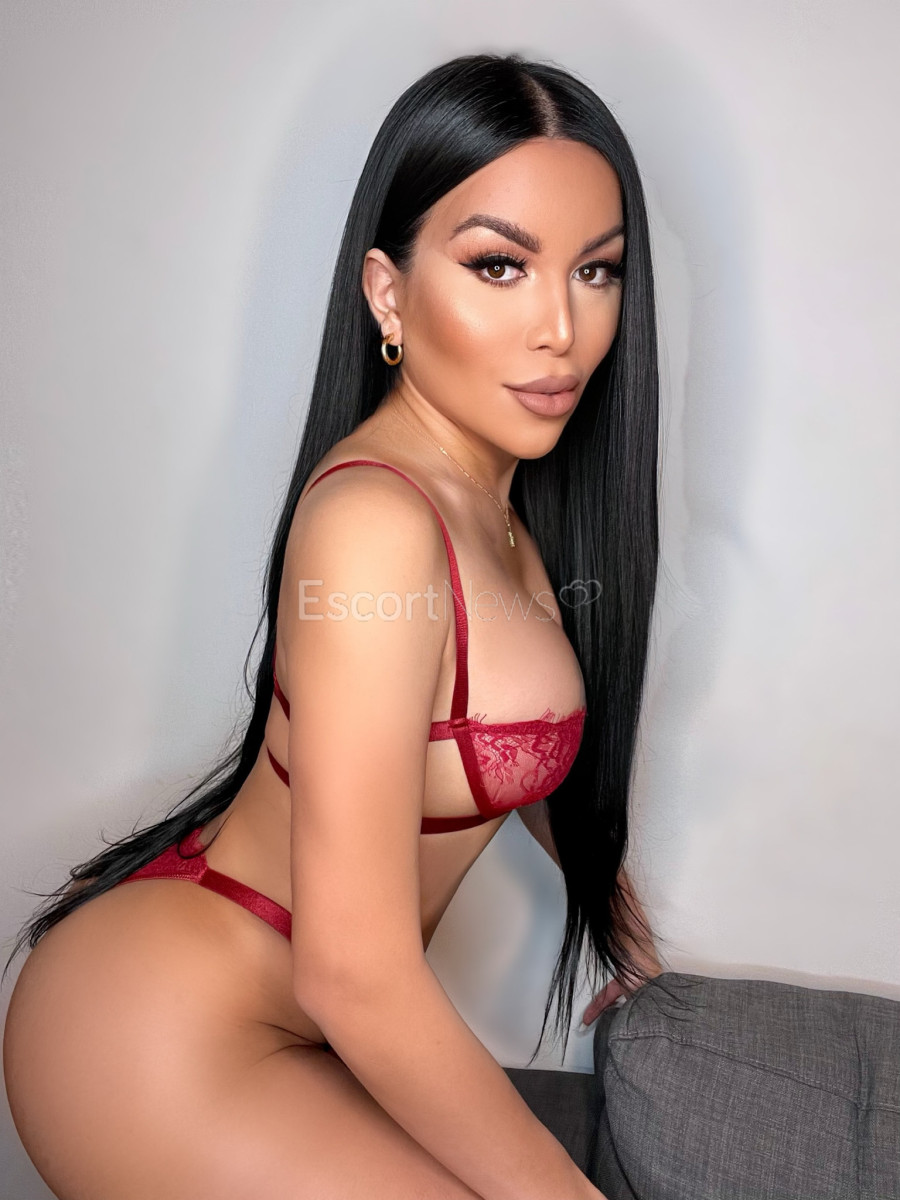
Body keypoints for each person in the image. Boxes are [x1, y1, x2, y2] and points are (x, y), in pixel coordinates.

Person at [4, 51, 680, 1200]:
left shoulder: (499, 510)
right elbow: (355, 971)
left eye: (596, 271)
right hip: (157, 1029)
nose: (562, 328)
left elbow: (518, 749)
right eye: (501, 266)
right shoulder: (376, 524)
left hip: (303, 1020)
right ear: (388, 292)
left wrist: (628, 940)